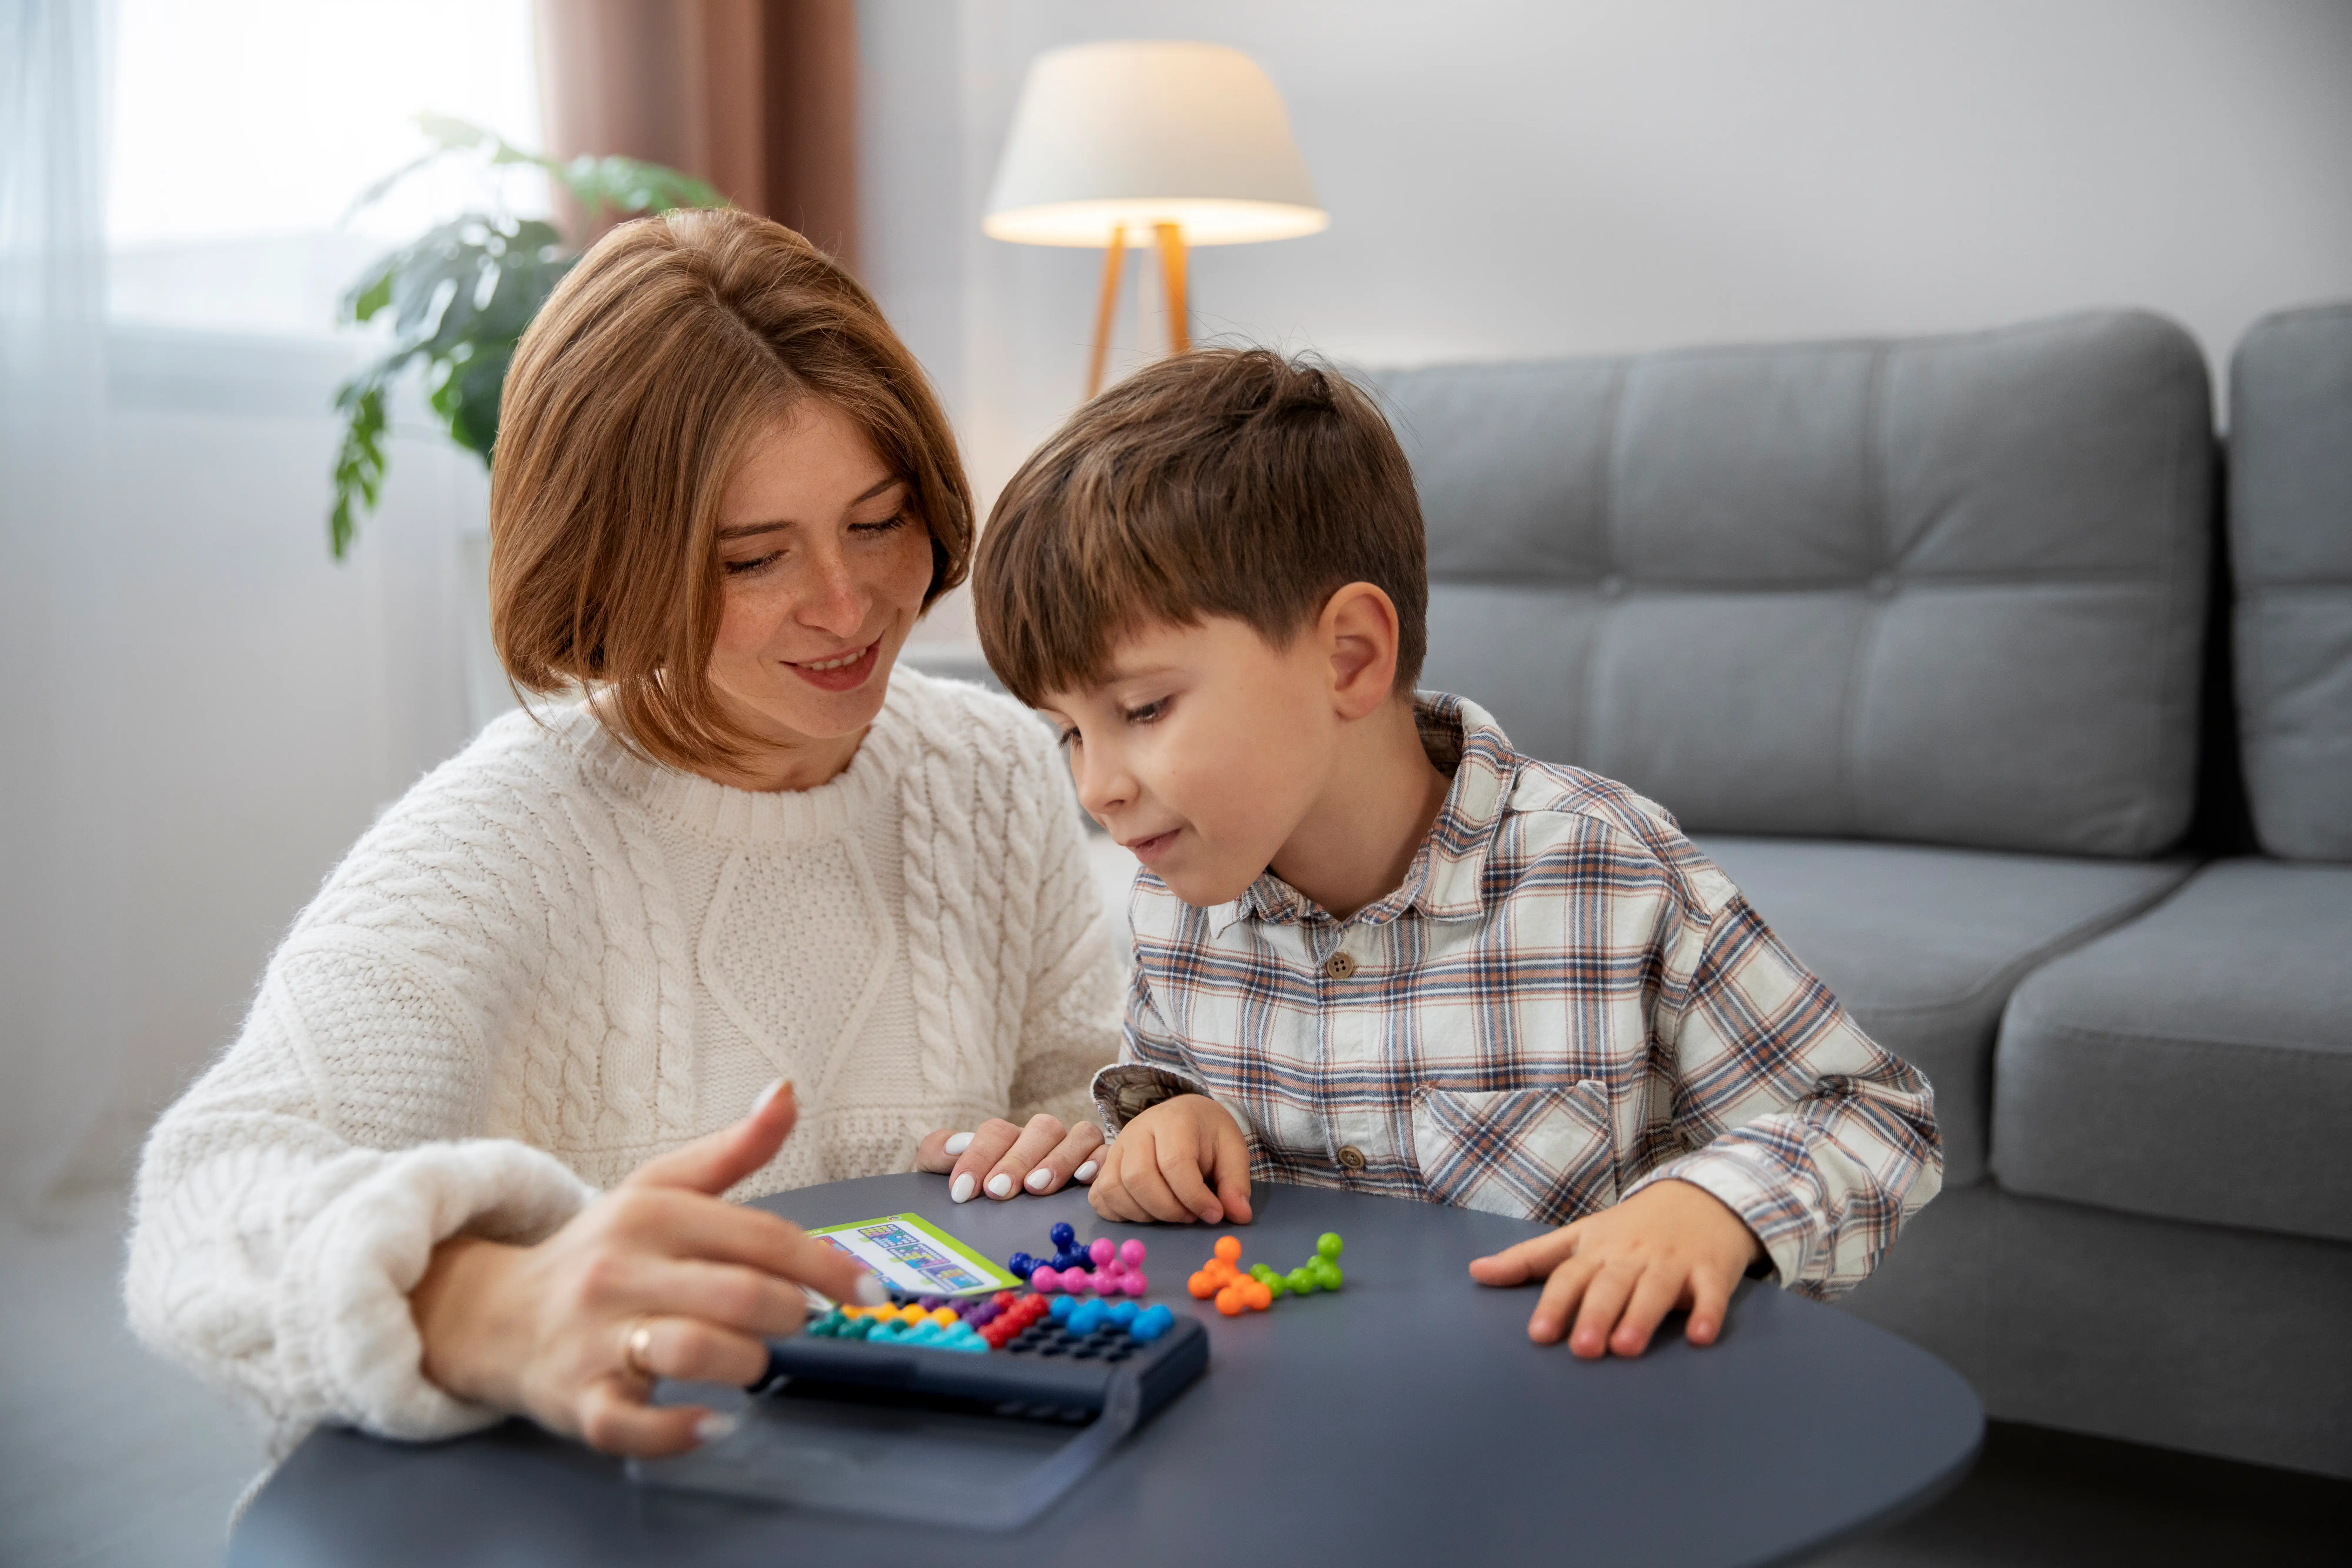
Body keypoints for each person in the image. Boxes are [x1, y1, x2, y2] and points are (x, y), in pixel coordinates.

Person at [126, 210, 1121, 1465]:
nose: (847, 601)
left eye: (877, 521)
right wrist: (488, 1304)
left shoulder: (991, 767)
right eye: (754, 557)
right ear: (615, 569)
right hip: (622, 1492)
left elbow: (1078, 1075)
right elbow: (205, 1197)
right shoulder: (499, 837)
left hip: (919, 1456)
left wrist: (1077, 1128)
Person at [969, 347, 1943, 1360]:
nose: (1096, 787)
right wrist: (1166, 1126)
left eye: (1141, 709)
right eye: (1068, 732)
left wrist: (1711, 1208)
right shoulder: (1178, 898)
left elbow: (1870, 1120)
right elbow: (1169, 1088)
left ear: (1349, 656)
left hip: (1570, 1444)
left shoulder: (1609, 876)